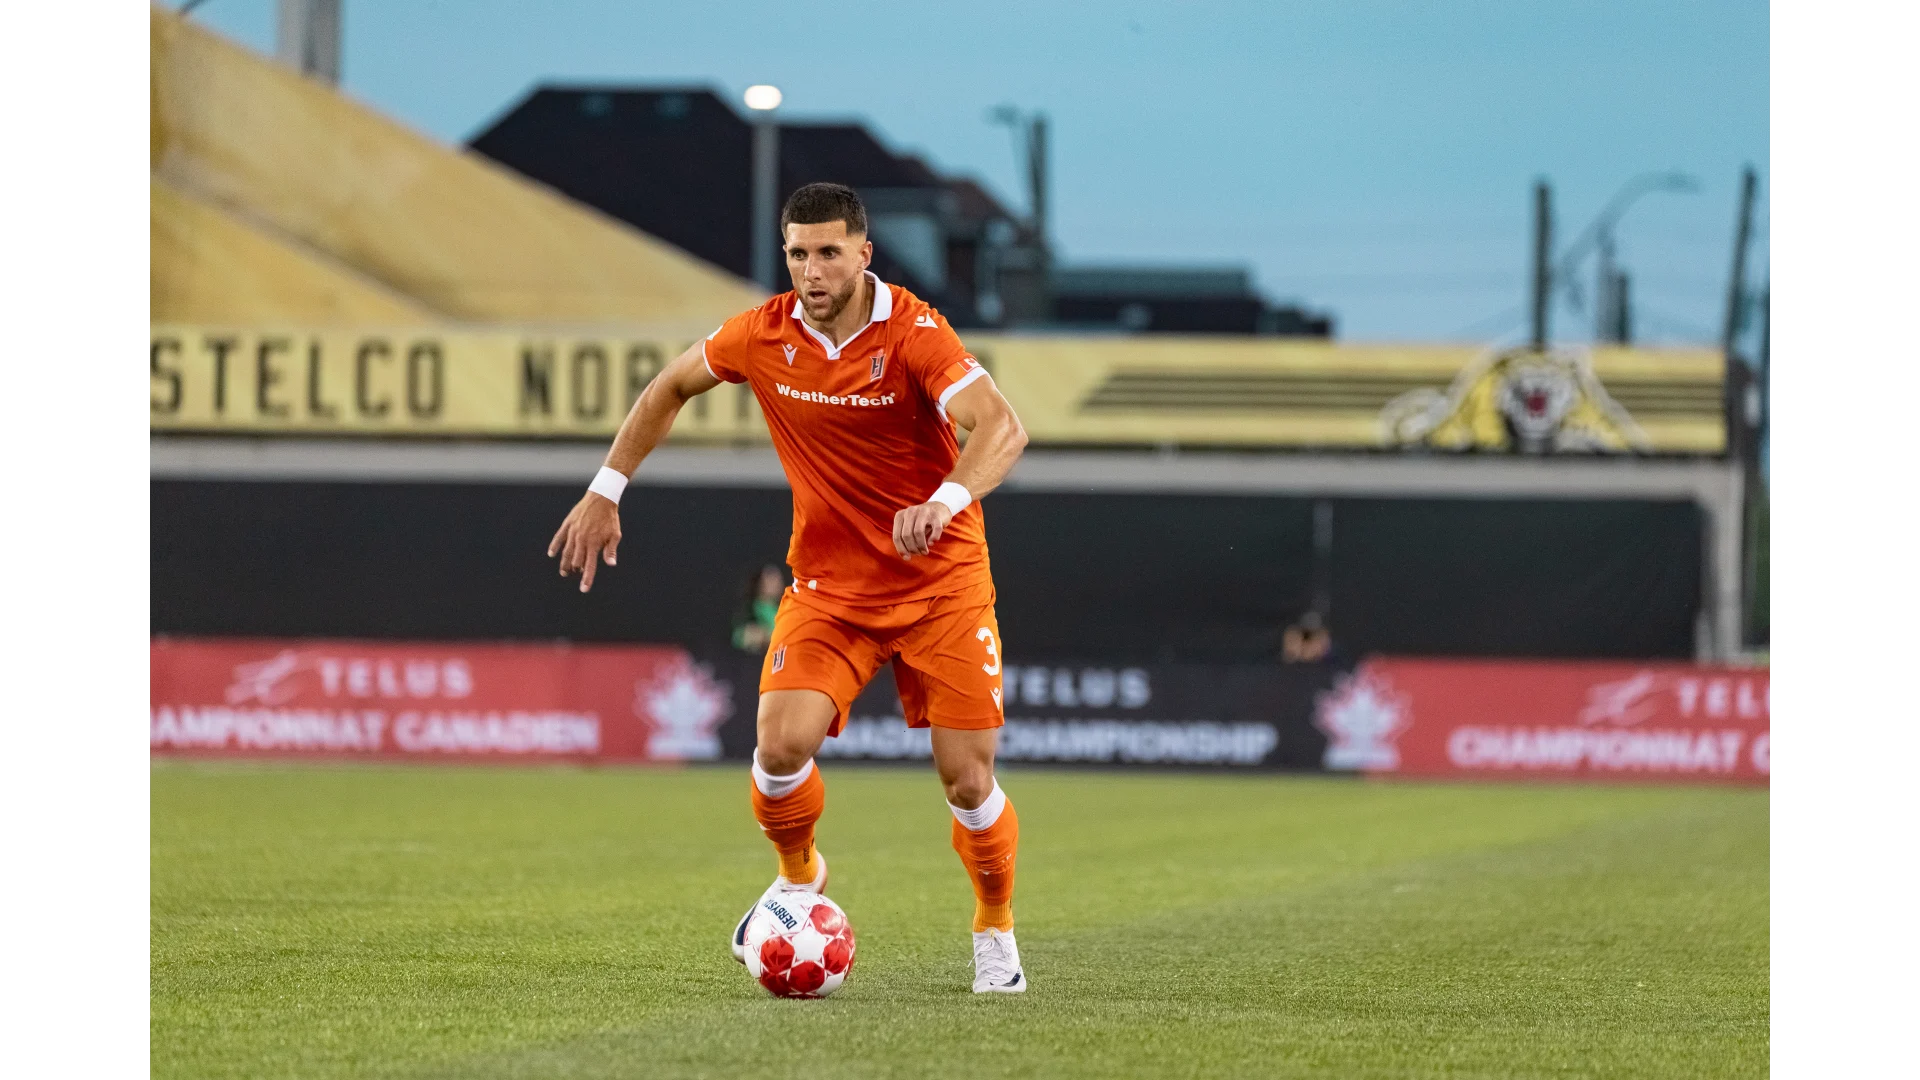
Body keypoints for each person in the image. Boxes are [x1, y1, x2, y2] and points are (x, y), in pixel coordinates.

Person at [547, 183, 1032, 993]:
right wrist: (607, 487)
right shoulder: (761, 334)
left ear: (864, 255)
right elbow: (670, 385)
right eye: (799, 253)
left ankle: (995, 929)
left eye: (829, 253)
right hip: (832, 591)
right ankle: (800, 878)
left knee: (968, 781)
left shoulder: (914, 332)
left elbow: (1003, 426)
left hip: (940, 586)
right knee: (777, 752)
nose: (812, 270)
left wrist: (945, 500)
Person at [732, 564, 786, 653]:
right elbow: (738, 636)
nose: (775, 583)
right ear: (760, 583)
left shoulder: (784, 608)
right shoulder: (751, 609)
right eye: (770, 579)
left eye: (777, 579)